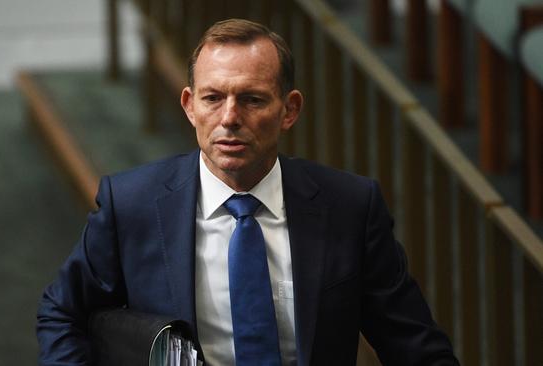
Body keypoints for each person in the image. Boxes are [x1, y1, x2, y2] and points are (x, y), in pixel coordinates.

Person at [37, 19, 459, 365]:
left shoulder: (349, 206)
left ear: (289, 110)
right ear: (189, 105)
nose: (229, 118)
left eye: (253, 100)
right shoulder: (131, 204)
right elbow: (62, 314)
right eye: (213, 98)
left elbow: (414, 346)